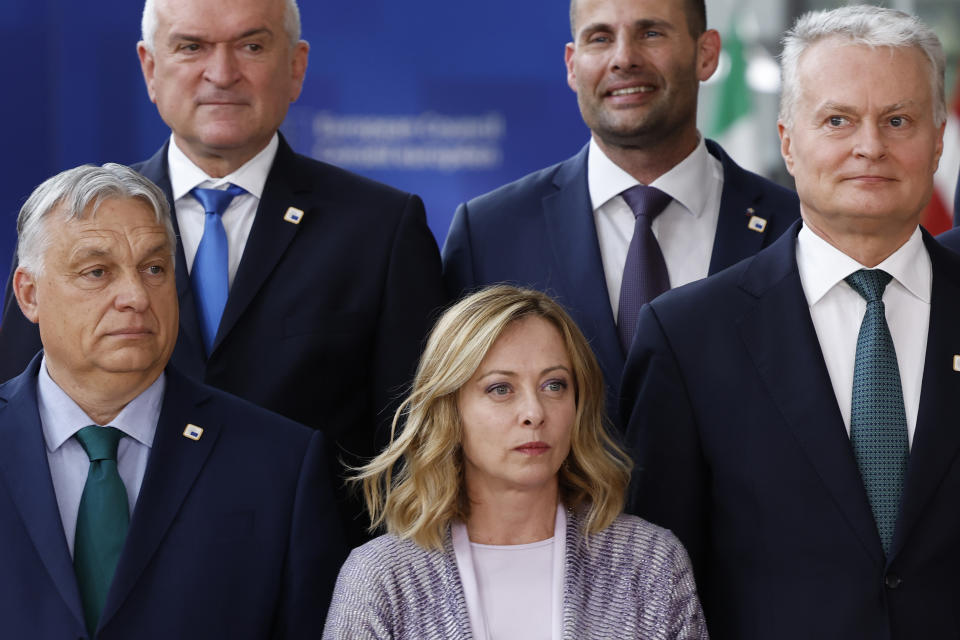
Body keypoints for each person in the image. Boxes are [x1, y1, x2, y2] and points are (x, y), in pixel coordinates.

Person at [0, 0, 447, 545]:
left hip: (315, 593)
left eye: (252, 46)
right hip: (105, 573)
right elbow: (19, 419)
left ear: (297, 66)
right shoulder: (73, 226)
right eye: (192, 47)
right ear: (149, 67)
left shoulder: (383, 228)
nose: (222, 73)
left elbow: (418, 452)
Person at [621, 6, 955, 639]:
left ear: (937, 139)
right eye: (837, 120)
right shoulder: (688, 339)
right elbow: (658, 582)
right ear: (787, 142)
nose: (870, 146)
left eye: (899, 120)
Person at [0, 163, 344, 638]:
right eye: (97, 271)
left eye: (154, 268)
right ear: (29, 294)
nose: (136, 296)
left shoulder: (280, 464)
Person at [441, 0, 800, 429]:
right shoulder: (489, 234)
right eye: (600, 38)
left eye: (651, 33)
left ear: (705, 54)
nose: (624, 58)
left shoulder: (795, 227)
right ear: (573, 66)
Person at [323, 285, 707, 639]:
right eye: (500, 389)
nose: (534, 412)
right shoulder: (381, 576)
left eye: (554, 385)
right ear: (450, 410)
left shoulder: (649, 562)